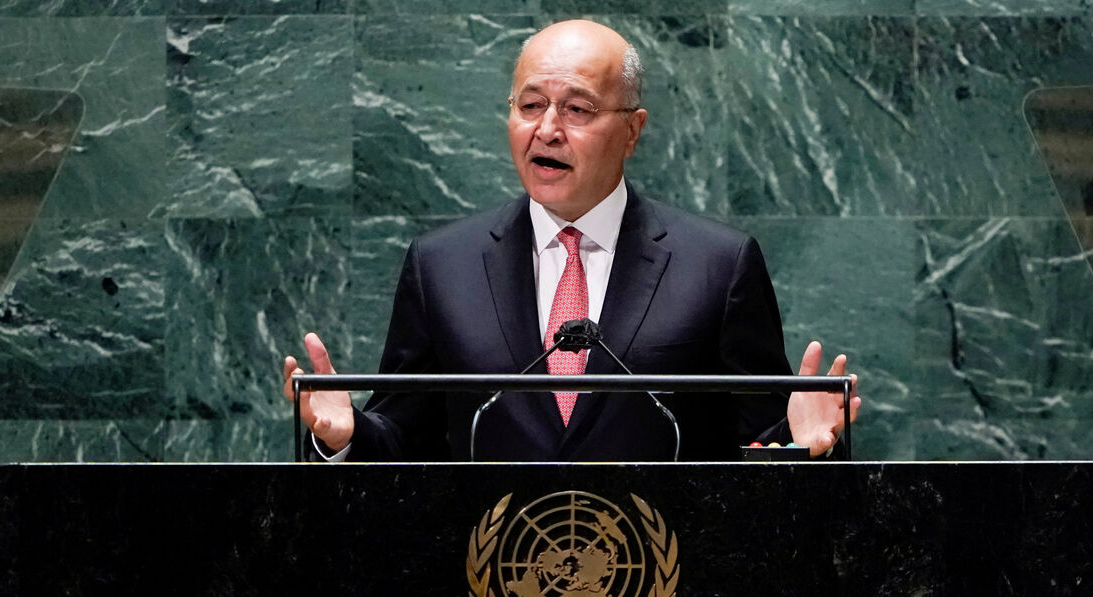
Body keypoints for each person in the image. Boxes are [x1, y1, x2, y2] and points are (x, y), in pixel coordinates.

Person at [283, 19, 860, 462]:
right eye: (530, 105)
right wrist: (347, 433)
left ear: (632, 130)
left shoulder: (717, 264)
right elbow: (407, 440)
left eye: (577, 108)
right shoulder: (442, 265)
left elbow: (760, 445)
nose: (548, 128)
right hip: (492, 590)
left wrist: (803, 444)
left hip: (660, 589)